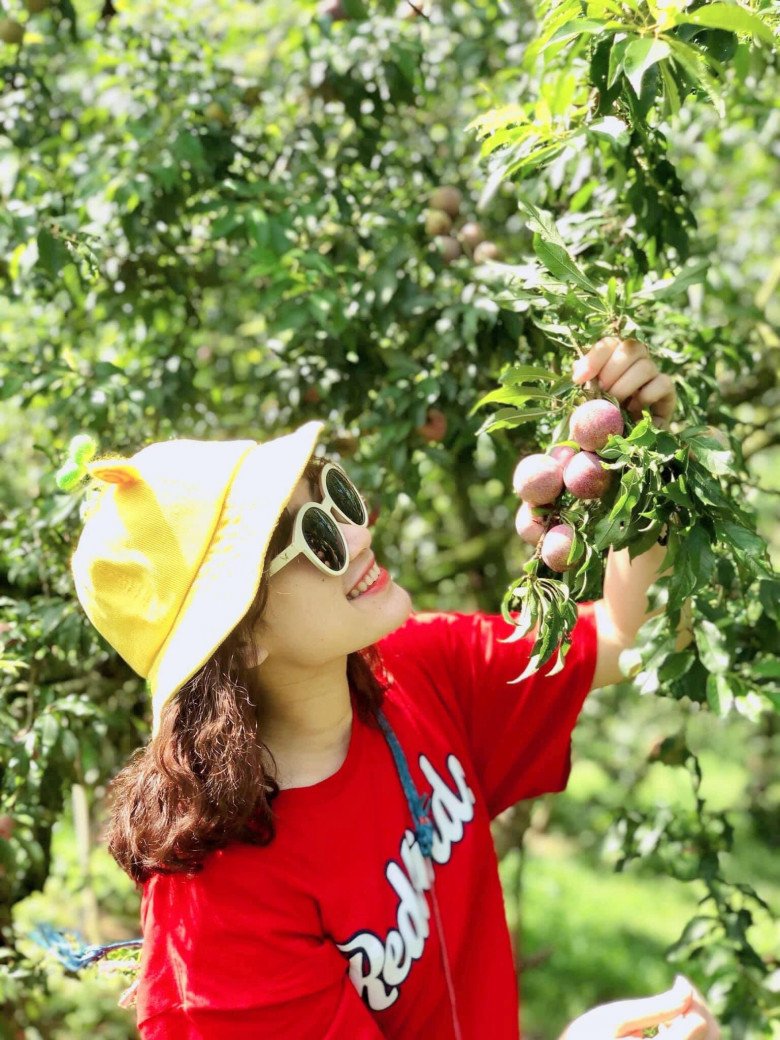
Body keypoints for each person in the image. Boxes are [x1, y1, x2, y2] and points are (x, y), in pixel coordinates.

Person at [61, 336, 719, 1038]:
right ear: (239, 638)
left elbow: (628, 638)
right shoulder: (222, 905)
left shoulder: (414, 668)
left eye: (337, 493)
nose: (359, 528)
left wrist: (641, 450)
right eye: (315, 534)